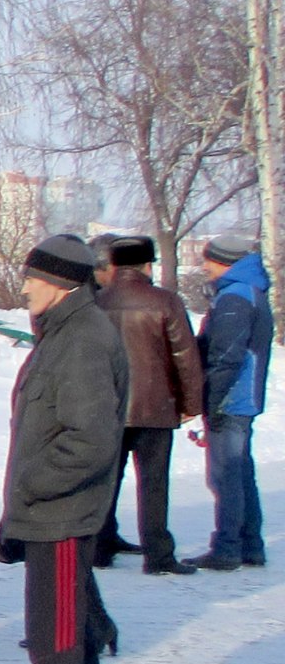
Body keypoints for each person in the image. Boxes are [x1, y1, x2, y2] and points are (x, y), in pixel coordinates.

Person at [0, 235, 128, 664]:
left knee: (57, 637)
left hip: (62, 513)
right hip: (52, 511)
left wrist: (32, 484)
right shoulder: (65, 333)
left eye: (33, 279)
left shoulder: (83, 339)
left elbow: (90, 440)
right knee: (71, 631)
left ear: (62, 284)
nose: (24, 288)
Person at [91, 235, 205, 575]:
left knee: (107, 479)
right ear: (148, 265)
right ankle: (157, 554)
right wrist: (191, 404)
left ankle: (101, 546)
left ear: (112, 264)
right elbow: (185, 356)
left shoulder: (97, 302)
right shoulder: (165, 301)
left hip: (108, 407)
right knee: (154, 483)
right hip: (156, 407)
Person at [188, 234, 271, 571]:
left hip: (231, 398)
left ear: (224, 261)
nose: (205, 266)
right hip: (243, 396)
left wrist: (211, 400)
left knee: (225, 475)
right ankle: (250, 545)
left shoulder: (235, 297)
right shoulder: (249, 290)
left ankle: (227, 548)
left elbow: (225, 356)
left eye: (208, 260)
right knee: (240, 473)